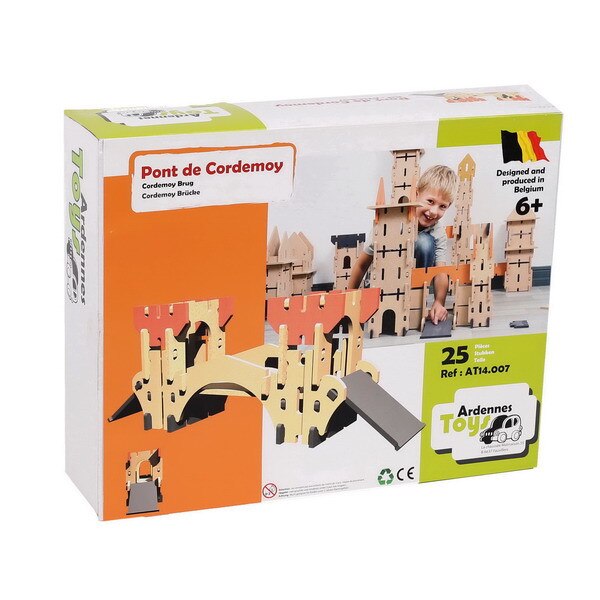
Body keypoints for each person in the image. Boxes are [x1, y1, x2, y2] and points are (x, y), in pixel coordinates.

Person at [348, 165, 457, 325]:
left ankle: (414, 299)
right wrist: (350, 299)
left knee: (425, 242)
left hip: (412, 285)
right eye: (430, 201)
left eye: (442, 206)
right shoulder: (389, 222)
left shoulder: (437, 231)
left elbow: (440, 271)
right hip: (384, 283)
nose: (434, 211)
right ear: (417, 194)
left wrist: (439, 302)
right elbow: (362, 264)